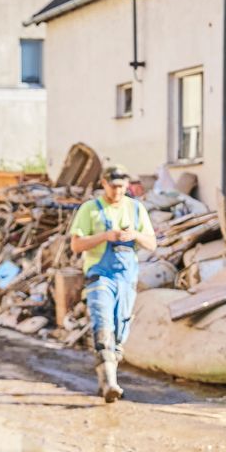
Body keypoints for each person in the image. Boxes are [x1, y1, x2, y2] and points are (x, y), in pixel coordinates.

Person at [68, 165, 156, 402]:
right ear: (103, 184)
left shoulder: (136, 209)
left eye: (121, 187)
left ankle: (108, 376)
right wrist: (105, 236)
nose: (117, 191)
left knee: (120, 328)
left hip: (126, 277)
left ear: (127, 186)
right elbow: (76, 245)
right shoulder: (90, 209)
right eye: (113, 186)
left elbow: (152, 244)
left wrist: (134, 236)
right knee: (102, 322)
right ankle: (110, 383)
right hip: (100, 275)